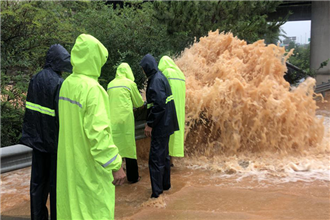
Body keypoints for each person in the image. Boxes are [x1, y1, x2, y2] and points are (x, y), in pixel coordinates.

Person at [56, 34, 126, 220]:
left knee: (72, 211)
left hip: (71, 168)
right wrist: (115, 165)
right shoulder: (93, 90)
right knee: (94, 212)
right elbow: (99, 134)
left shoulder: (67, 85)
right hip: (90, 170)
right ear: (94, 58)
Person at [20, 44, 72, 220]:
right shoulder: (60, 83)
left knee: (37, 184)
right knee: (55, 185)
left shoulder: (35, 79)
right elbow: (62, 116)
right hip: (55, 144)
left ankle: (38, 216)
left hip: (37, 141)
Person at [140, 54, 179, 198]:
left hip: (161, 125)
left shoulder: (155, 80)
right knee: (164, 157)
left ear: (147, 68)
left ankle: (157, 193)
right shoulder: (160, 77)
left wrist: (150, 124)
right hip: (167, 124)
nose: (143, 71)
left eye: (143, 69)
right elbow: (158, 102)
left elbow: (159, 105)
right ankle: (165, 186)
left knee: (155, 159)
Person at [107, 63, 144, 183]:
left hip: (111, 120)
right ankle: (133, 178)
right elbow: (138, 103)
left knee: (115, 147)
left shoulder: (110, 84)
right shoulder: (130, 83)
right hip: (125, 121)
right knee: (129, 148)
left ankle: (114, 178)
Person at [158, 56, 186, 161]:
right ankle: (171, 159)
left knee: (167, 134)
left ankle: (166, 161)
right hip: (179, 107)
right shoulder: (180, 74)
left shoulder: (166, 72)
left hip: (169, 107)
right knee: (176, 133)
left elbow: (161, 90)